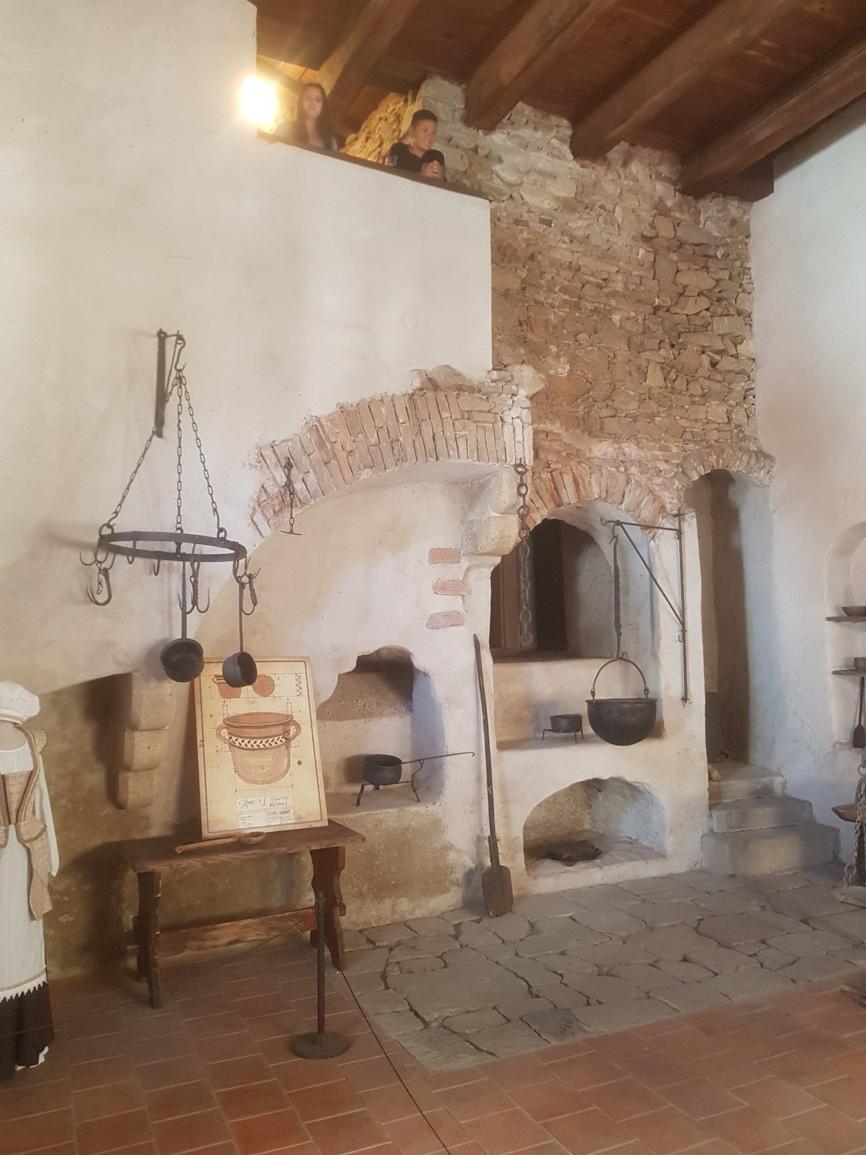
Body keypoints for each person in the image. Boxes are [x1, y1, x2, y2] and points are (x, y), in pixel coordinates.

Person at [0, 682, 59, 1082]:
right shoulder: (32, 743)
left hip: (15, 863)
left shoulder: (32, 743)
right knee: (18, 939)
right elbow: (42, 807)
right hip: (26, 854)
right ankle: (24, 1046)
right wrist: (51, 857)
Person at [287, 82, 338, 150]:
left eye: (318, 99)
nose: (313, 102)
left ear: (323, 106)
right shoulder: (286, 129)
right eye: (308, 98)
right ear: (300, 102)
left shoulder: (331, 141)